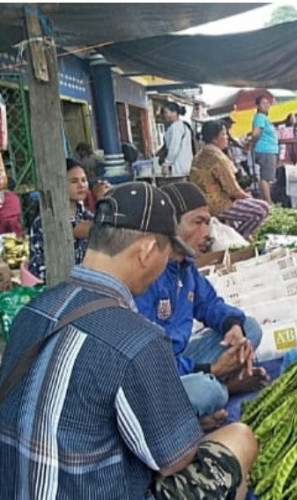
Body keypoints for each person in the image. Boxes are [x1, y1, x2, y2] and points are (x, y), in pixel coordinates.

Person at [0, 181, 258, 499]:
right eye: (166, 251)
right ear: (147, 251)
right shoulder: (138, 339)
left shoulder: (32, 312)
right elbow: (175, 460)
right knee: (239, 438)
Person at [136, 181, 267, 422]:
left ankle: (214, 393)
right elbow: (149, 366)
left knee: (249, 328)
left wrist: (232, 326)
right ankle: (223, 388)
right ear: (170, 224)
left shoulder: (185, 268)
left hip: (182, 360)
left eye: (207, 222)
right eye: (198, 222)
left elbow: (209, 304)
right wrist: (212, 370)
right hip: (156, 380)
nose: (206, 234)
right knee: (209, 392)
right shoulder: (148, 275)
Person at [190, 121, 270, 239]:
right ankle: (240, 237)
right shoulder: (217, 158)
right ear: (215, 139)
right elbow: (233, 190)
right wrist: (249, 197)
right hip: (218, 204)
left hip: (202, 201)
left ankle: (235, 235)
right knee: (262, 208)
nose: (226, 138)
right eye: (224, 134)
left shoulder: (200, 155)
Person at [28, 159, 94, 282]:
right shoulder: (48, 218)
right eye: (74, 181)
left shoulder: (81, 212)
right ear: (58, 184)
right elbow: (88, 229)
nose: (81, 185)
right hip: (51, 281)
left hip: (79, 279)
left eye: (84, 180)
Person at [251, 95, 279, 204]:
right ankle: (268, 202)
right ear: (258, 105)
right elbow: (256, 133)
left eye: (267, 103)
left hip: (267, 150)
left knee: (265, 177)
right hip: (265, 150)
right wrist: (251, 142)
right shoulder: (260, 117)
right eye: (263, 103)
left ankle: (265, 201)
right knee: (266, 178)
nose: (266, 105)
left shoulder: (263, 117)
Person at [159, 102, 195, 184]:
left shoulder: (175, 128)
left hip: (177, 169)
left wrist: (166, 164)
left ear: (174, 113)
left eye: (166, 112)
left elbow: (173, 148)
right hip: (185, 167)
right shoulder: (184, 126)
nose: (164, 115)